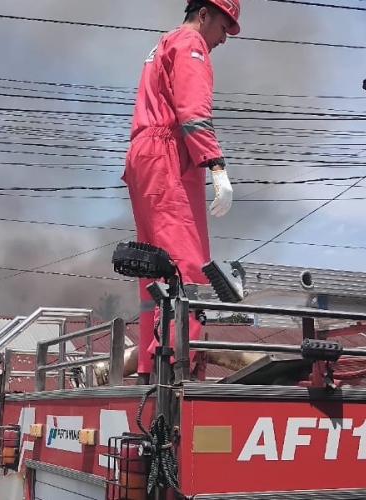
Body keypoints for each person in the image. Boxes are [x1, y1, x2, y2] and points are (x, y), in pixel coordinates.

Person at [121, 0, 241, 384]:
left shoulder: (162, 44)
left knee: (151, 268)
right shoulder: (191, 46)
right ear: (204, 14)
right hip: (167, 155)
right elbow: (192, 110)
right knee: (185, 267)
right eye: (224, 26)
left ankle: (147, 366)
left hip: (143, 156)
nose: (225, 38)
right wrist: (217, 166)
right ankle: (175, 369)